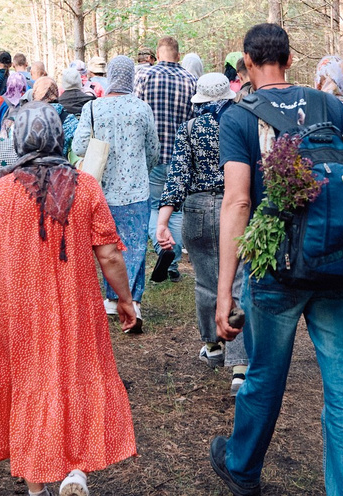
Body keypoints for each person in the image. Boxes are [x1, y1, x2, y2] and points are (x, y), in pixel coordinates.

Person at [208, 21, 343, 496]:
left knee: (265, 376)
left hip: (275, 271)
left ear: (248, 62)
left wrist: (225, 290)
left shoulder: (239, 116)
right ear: (290, 58)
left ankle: (243, 469)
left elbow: (237, 202)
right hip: (336, 268)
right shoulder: (329, 106)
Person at [0, 104, 141, 496]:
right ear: (56, 138)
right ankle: (74, 476)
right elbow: (109, 254)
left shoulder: (0, 193)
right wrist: (125, 300)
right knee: (76, 384)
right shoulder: (85, 187)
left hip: (19, 314)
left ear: (18, 140)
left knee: (27, 389)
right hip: (77, 310)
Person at [156, 70, 243, 376]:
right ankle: (240, 364)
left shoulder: (189, 129)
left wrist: (163, 222)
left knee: (206, 280)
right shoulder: (240, 123)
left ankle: (213, 346)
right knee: (238, 282)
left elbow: (177, 177)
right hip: (235, 205)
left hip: (197, 208)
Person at [68, 54, 159, 324]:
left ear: (109, 76)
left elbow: (78, 147)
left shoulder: (93, 108)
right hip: (136, 189)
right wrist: (143, 168)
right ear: (131, 76)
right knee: (135, 245)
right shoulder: (142, 108)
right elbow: (153, 150)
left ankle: (111, 299)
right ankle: (133, 301)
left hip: (102, 188)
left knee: (108, 245)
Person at [137, 36, 195, 208]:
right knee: (176, 210)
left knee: (154, 208)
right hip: (180, 157)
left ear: (157, 55)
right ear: (178, 56)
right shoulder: (191, 80)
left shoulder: (144, 76)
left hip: (151, 157)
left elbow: (136, 115)